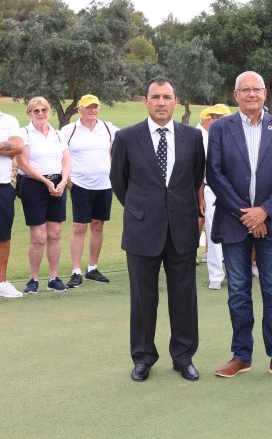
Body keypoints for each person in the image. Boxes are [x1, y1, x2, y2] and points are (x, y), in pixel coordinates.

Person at [206, 71, 272, 382]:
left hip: (271, 224)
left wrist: (264, 213)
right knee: (238, 292)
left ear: (264, 93)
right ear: (235, 95)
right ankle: (241, 356)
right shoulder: (220, 128)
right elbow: (215, 175)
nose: (251, 94)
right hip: (234, 223)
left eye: (256, 89)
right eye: (244, 90)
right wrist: (247, 215)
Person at [110, 77, 205, 382]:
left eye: (167, 96)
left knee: (184, 298)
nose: (161, 102)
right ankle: (143, 357)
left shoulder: (192, 137)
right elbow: (119, 182)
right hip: (142, 230)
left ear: (176, 101)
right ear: (145, 101)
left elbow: (194, 179)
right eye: (155, 96)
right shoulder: (126, 137)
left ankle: (183, 356)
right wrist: (142, 209)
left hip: (182, 228)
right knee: (142, 299)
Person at [62, 94, 118, 288]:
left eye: (95, 107)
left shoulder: (109, 129)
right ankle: (76, 271)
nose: (92, 110)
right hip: (80, 185)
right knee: (79, 227)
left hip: (104, 185)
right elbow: (61, 156)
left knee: (98, 225)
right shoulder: (69, 130)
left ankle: (92, 268)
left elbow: (127, 143)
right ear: (80, 110)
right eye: (88, 107)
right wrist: (68, 180)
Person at [17, 97, 71, 294]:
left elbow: (66, 160)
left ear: (49, 112)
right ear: (30, 113)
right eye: (36, 110)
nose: (40, 113)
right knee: (38, 236)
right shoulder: (24, 134)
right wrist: (46, 182)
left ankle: (54, 278)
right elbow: (23, 163)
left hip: (58, 183)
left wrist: (63, 181)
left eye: (44, 110)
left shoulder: (58, 134)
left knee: (55, 233)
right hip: (33, 184)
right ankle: (33, 279)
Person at [197, 104, 228, 289]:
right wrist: (200, 196)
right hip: (210, 190)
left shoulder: (236, 137)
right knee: (212, 231)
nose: (217, 120)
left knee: (234, 233)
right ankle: (216, 276)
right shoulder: (204, 139)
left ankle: (235, 273)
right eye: (214, 117)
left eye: (221, 117)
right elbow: (201, 171)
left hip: (234, 191)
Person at [0, 108, 23, 298]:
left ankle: (1, 282)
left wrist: (10, 148)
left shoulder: (9, 120)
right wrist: (3, 147)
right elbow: (9, 147)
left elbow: (17, 147)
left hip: (3, 186)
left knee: (3, 236)